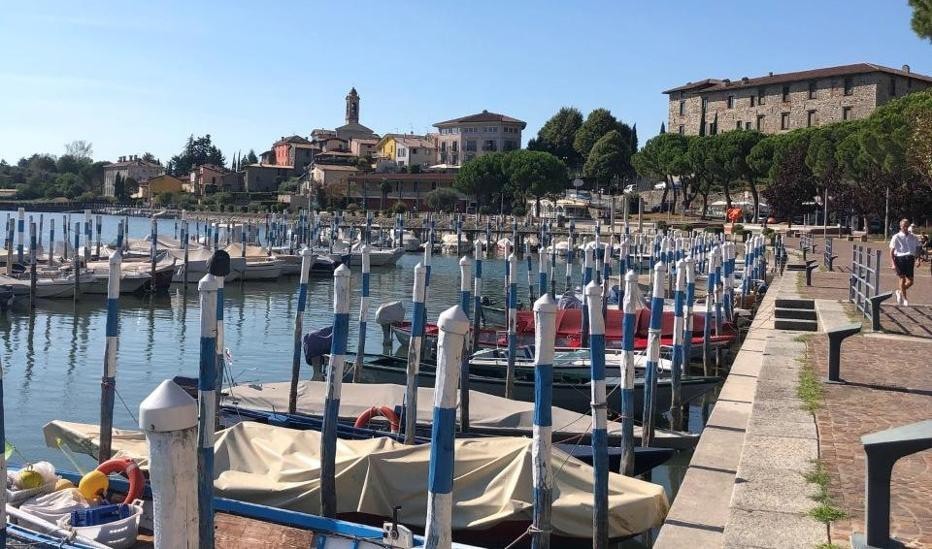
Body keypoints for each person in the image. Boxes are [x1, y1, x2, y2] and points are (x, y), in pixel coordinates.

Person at [889, 218, 920, 306]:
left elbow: (917, 249)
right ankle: (905, 298)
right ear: (900, 226)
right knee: (902, 279)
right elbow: (891, 251)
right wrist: (893, 263)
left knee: (911, 281)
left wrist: (918, 260)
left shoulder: (913, 237)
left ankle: (899, 291)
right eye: (903, 226)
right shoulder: (896, 237)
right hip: (899, 259)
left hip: (910, 259)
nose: (905, 228)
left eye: (907, 226)